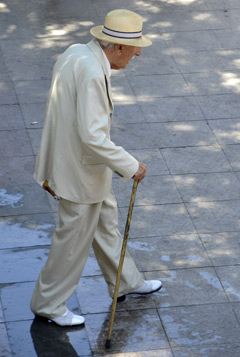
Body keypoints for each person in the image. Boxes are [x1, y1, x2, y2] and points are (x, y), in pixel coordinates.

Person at [30, 9, 162, 327]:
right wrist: (130, 166)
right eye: (134, 47)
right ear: (117, 47)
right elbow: (93, 136)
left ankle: (126, 281)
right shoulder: (91, 73)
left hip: (79, 164)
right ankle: (48, 303)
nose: (139, 52)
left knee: (106, 227)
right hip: (79, 170)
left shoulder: (78, 52)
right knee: (73, 239)